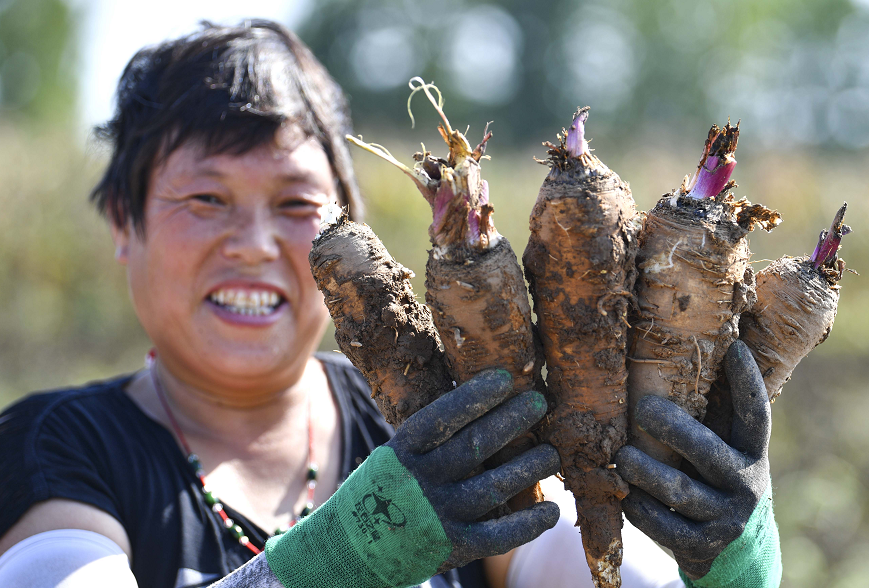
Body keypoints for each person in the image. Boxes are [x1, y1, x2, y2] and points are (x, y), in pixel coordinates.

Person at [0, 20, 781, 588]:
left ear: (355, 235)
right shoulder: (54, 450)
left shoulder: (435, 416)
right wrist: (346, 555)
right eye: (206, 198)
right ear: (122, 223)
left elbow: (605, 578)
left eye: (297, 203)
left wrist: (729, 561)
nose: (252, 242)